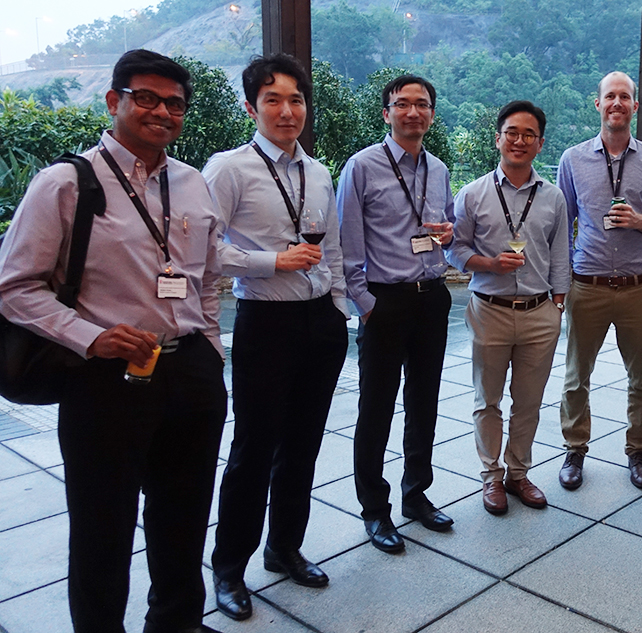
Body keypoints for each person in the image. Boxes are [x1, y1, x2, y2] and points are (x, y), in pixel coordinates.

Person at [0, 50, 227, 633]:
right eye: (146, 97)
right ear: (114, 101)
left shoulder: (193, 182)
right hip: (105, 379)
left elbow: (205, 276)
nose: (162, 112)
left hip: (189, 372)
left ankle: (176, 623)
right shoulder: (67, 182)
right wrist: (90, 337)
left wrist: (210, 347)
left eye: (174, 103)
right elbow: (13, 287)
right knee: (103, 526)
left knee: (182, 516)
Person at [203, 54, 348, 620]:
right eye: (273, 100)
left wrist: (337, 310)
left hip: (319, 323)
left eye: (296, 100)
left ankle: (284, 547)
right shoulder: (227, 169)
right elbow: (206, 251)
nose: (287, 111)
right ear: (251, 107)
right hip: (265, 323)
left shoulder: (317, 172)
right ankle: (228, 568)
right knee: (253, 450)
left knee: (304, 446)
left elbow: (331, 248)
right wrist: (271, 262)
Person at [337, 74, 456, 553]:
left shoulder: (440, 168)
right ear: (386, 112)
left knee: (424, 402)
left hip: (432, 297)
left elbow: (447, 226)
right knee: (377, 408)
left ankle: (416, 494)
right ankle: (374, 508)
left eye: (422, 104)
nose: (413, 112)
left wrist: (447, 235)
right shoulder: (362, 166)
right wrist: (365, 305)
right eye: (402, 104)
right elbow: (345, 241)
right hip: (384, 301)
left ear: (431, 113)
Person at [448, 100, 570, 515]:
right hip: (490, 310)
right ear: (498, 138)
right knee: (488, 400)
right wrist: (490, 264)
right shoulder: (473, 194)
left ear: (539, 144)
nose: (519, 140)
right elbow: (455, 251)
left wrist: (557, 304)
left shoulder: (553, 197)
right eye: (512, 132)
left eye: (529, 135)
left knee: (529, 402)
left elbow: (560, 255)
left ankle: (518, 474)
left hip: (539, 313)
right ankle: (490, 477)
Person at [556, 71, 642, 491]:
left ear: (635, 107)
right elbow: (561, 224)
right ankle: (574, 449)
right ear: (598, 104)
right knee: (575, 376)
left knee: (640, 376)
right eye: (610, 96)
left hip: (638, 286)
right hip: (585, 285)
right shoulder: (572, 160)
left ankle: (638, 450)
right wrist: (559, 281)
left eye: (625, 97)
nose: (617, 104)